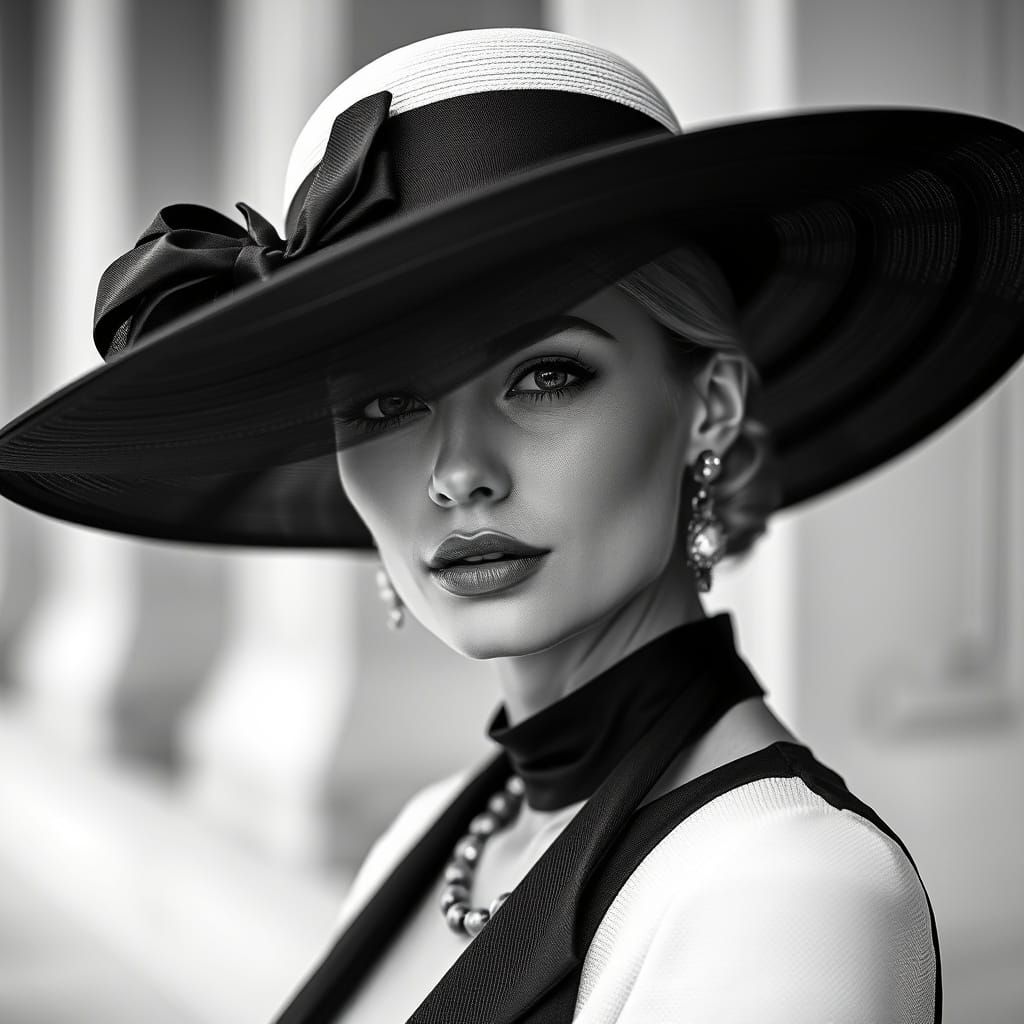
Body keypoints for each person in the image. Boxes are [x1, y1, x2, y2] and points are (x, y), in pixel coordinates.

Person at [2, 24, 1023, 1024]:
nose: (457, 473)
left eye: (544, 374)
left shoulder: (792, 893)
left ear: (707, 404)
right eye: (387, 404)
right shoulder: (423, 838)